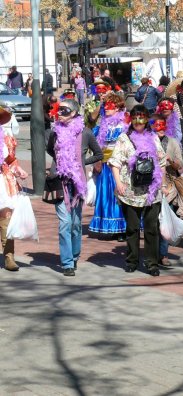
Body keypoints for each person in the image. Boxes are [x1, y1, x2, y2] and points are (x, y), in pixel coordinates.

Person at [108, 105, 167, 276]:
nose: (138, 121)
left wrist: (162, 184)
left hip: (151, 192)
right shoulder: (123, 139)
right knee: (132, 228)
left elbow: (162, 163)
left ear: (147, 119)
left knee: (151, 229)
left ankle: (152, 263)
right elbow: (114, 162)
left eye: (142, 117)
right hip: (130, 192)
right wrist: (118, 183)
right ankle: (132, 260)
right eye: (135, 117)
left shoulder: (154, 138)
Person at [46, 99, 103, 276]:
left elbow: (99, 153)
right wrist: (61, 163)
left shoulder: (85, 133)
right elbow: (50, 150)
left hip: (78, 183)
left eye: (64, 110)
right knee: (65, 223)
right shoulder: (55, 132)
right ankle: (67, 263)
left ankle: (75, 256)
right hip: (59, 181)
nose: (60, 113)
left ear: (74, 113)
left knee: (76, 224)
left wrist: (81, 161)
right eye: (59, 110)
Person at [89, 92, 128, 241]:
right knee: (107, 196)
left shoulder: (124, 125)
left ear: (118, 108)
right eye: (106, 106)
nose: (107, 109)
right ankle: (110, 227)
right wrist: (96, 161)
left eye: (110, 106)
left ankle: (122, 229)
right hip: (105, 167)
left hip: (120, 167)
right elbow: (96, 143)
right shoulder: (102, 125)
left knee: (120, 195)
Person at [152, 113, 183, 266]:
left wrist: (171, 160)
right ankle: (151, 253)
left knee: (165, 220)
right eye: (157, 125)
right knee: (151, 221)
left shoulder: (173, 142)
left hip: (169, 186)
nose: (160, 129)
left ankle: (163, 254)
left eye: (162, 125)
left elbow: (181, 166)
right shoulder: (147, 142)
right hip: (150, 186)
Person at [0, 107, 28, 271]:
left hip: (3, 179)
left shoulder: (6, 138)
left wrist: (19, 170)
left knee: (6, 218)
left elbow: (10, 160)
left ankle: (9, 256)